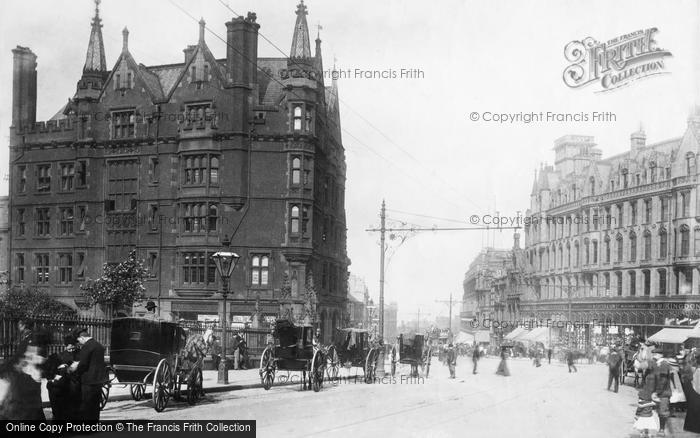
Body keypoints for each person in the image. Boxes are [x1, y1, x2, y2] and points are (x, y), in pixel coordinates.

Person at [70, 328, 107, 423]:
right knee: (95, 404)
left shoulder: (87, 346)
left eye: (78, 340)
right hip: (98, 380)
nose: (79, 343)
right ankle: (94, 424)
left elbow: (83, 364)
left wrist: (76, 369)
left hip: (88, 380)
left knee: (86, 404)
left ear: (82, 337)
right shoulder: (98, 345)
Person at [45, 335, 81, 421]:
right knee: (53, 388)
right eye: (69, 345)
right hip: (63, 382)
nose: (71, 347)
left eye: (73, 344)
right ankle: (58, 416)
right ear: (66, 345)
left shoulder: (81, 354)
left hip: (74, 382)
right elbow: (51, 371)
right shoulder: (61, 355)